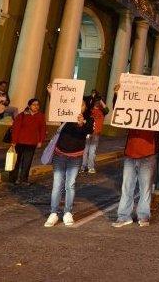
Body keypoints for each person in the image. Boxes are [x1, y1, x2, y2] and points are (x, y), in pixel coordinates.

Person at [112, 84, 159, 228]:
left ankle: (143, 216)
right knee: (127, 186)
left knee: (145, 187)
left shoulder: (154, 110)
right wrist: (117, 95)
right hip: (131, 152)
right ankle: (124, 216)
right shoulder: (133, 110)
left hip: (148, 153)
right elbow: (120, 109)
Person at [44, 96, 94, 227]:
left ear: (85, 107)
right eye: (78, 105)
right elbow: (57, 106)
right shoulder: (65, 116)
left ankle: (67, 212)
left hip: (76, 157)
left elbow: (88, 131)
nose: (80, 107)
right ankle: (53, 213)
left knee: (70, 185)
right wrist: (51, 94)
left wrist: (81, 123)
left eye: (82, 105)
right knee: (57, 185)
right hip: (60, 155)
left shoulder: (88, 120)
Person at [10, 98, 46, 185]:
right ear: (29, 105)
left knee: (27, 162)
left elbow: (43, 129)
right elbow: (16, 129)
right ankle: (13, 179)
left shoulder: (41, 116)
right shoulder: (22, 115)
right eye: (34, 104)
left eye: (37, 105)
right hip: (20, 142)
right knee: (16, 161)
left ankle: (24, 179)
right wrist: (14, 141)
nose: (36, 106)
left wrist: (40, 141)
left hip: (32, 143)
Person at [81, 96, 109, 174]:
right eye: (96, 101)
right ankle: (83, 166)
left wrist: (101, 101)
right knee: (85, 150)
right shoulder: (90, 110)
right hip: (88, 132)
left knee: (92, 151)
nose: (97, 102)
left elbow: (107, 110)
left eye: (98, 101)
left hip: (96, 133)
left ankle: (90, 167)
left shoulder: (102, 111)